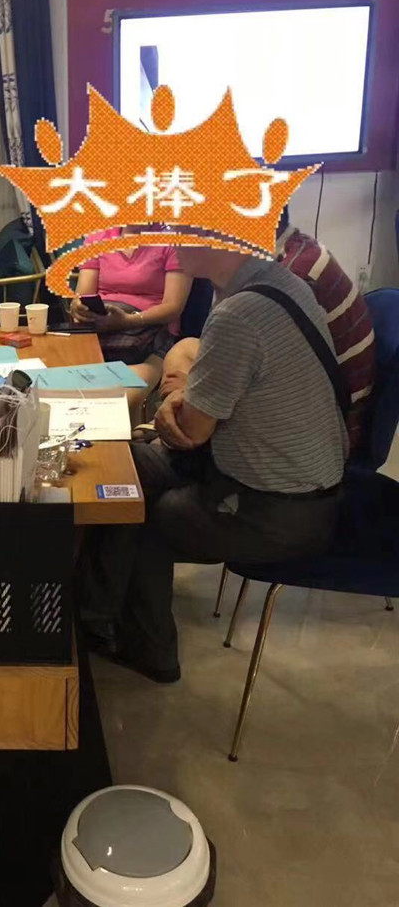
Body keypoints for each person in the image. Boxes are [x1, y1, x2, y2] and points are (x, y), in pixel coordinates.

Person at [86, 244, 347, 683]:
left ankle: (148, 650)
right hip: (295, 483)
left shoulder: (238, 314)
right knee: (122, 466)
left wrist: (176, 398)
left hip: (277, 511)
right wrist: (187, 395)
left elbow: (188, 431)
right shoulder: (279, 282)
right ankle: (94, 612)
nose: (172, 239)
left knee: (147, 512)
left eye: (183, 228)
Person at [158, 211, 376, 451]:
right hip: (302, 396)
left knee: (176, 431)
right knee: (183, 349)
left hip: (323, 428)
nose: (172, 238)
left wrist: (191, 395)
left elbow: (279, 383)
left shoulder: (283, 279)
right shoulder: (284, 256)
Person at [69, 228, 192, 421]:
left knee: (117, 402)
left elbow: (173, 307)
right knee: (62, 396)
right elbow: (83, 294)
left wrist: (128, 320)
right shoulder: (98, 238)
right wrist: (79, 307)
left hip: (151, 335)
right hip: (99, 331)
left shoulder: (174, 242)